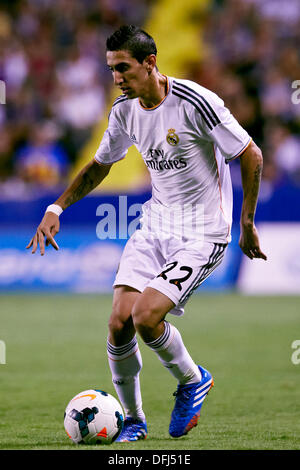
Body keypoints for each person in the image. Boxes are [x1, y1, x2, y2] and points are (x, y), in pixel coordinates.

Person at [27, 25, 267, 441]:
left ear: (150, 62)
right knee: (119, 321)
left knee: (145, 317)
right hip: (156, 226)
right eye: (111, 69)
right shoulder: (124, 110)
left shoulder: (195, 102)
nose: (117, 77)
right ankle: (134, 421)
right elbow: (101, 164)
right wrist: (56, 206)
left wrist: (245, 223)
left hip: (202, 233)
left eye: (123, 67)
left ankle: (193, 380)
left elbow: (250, 153)